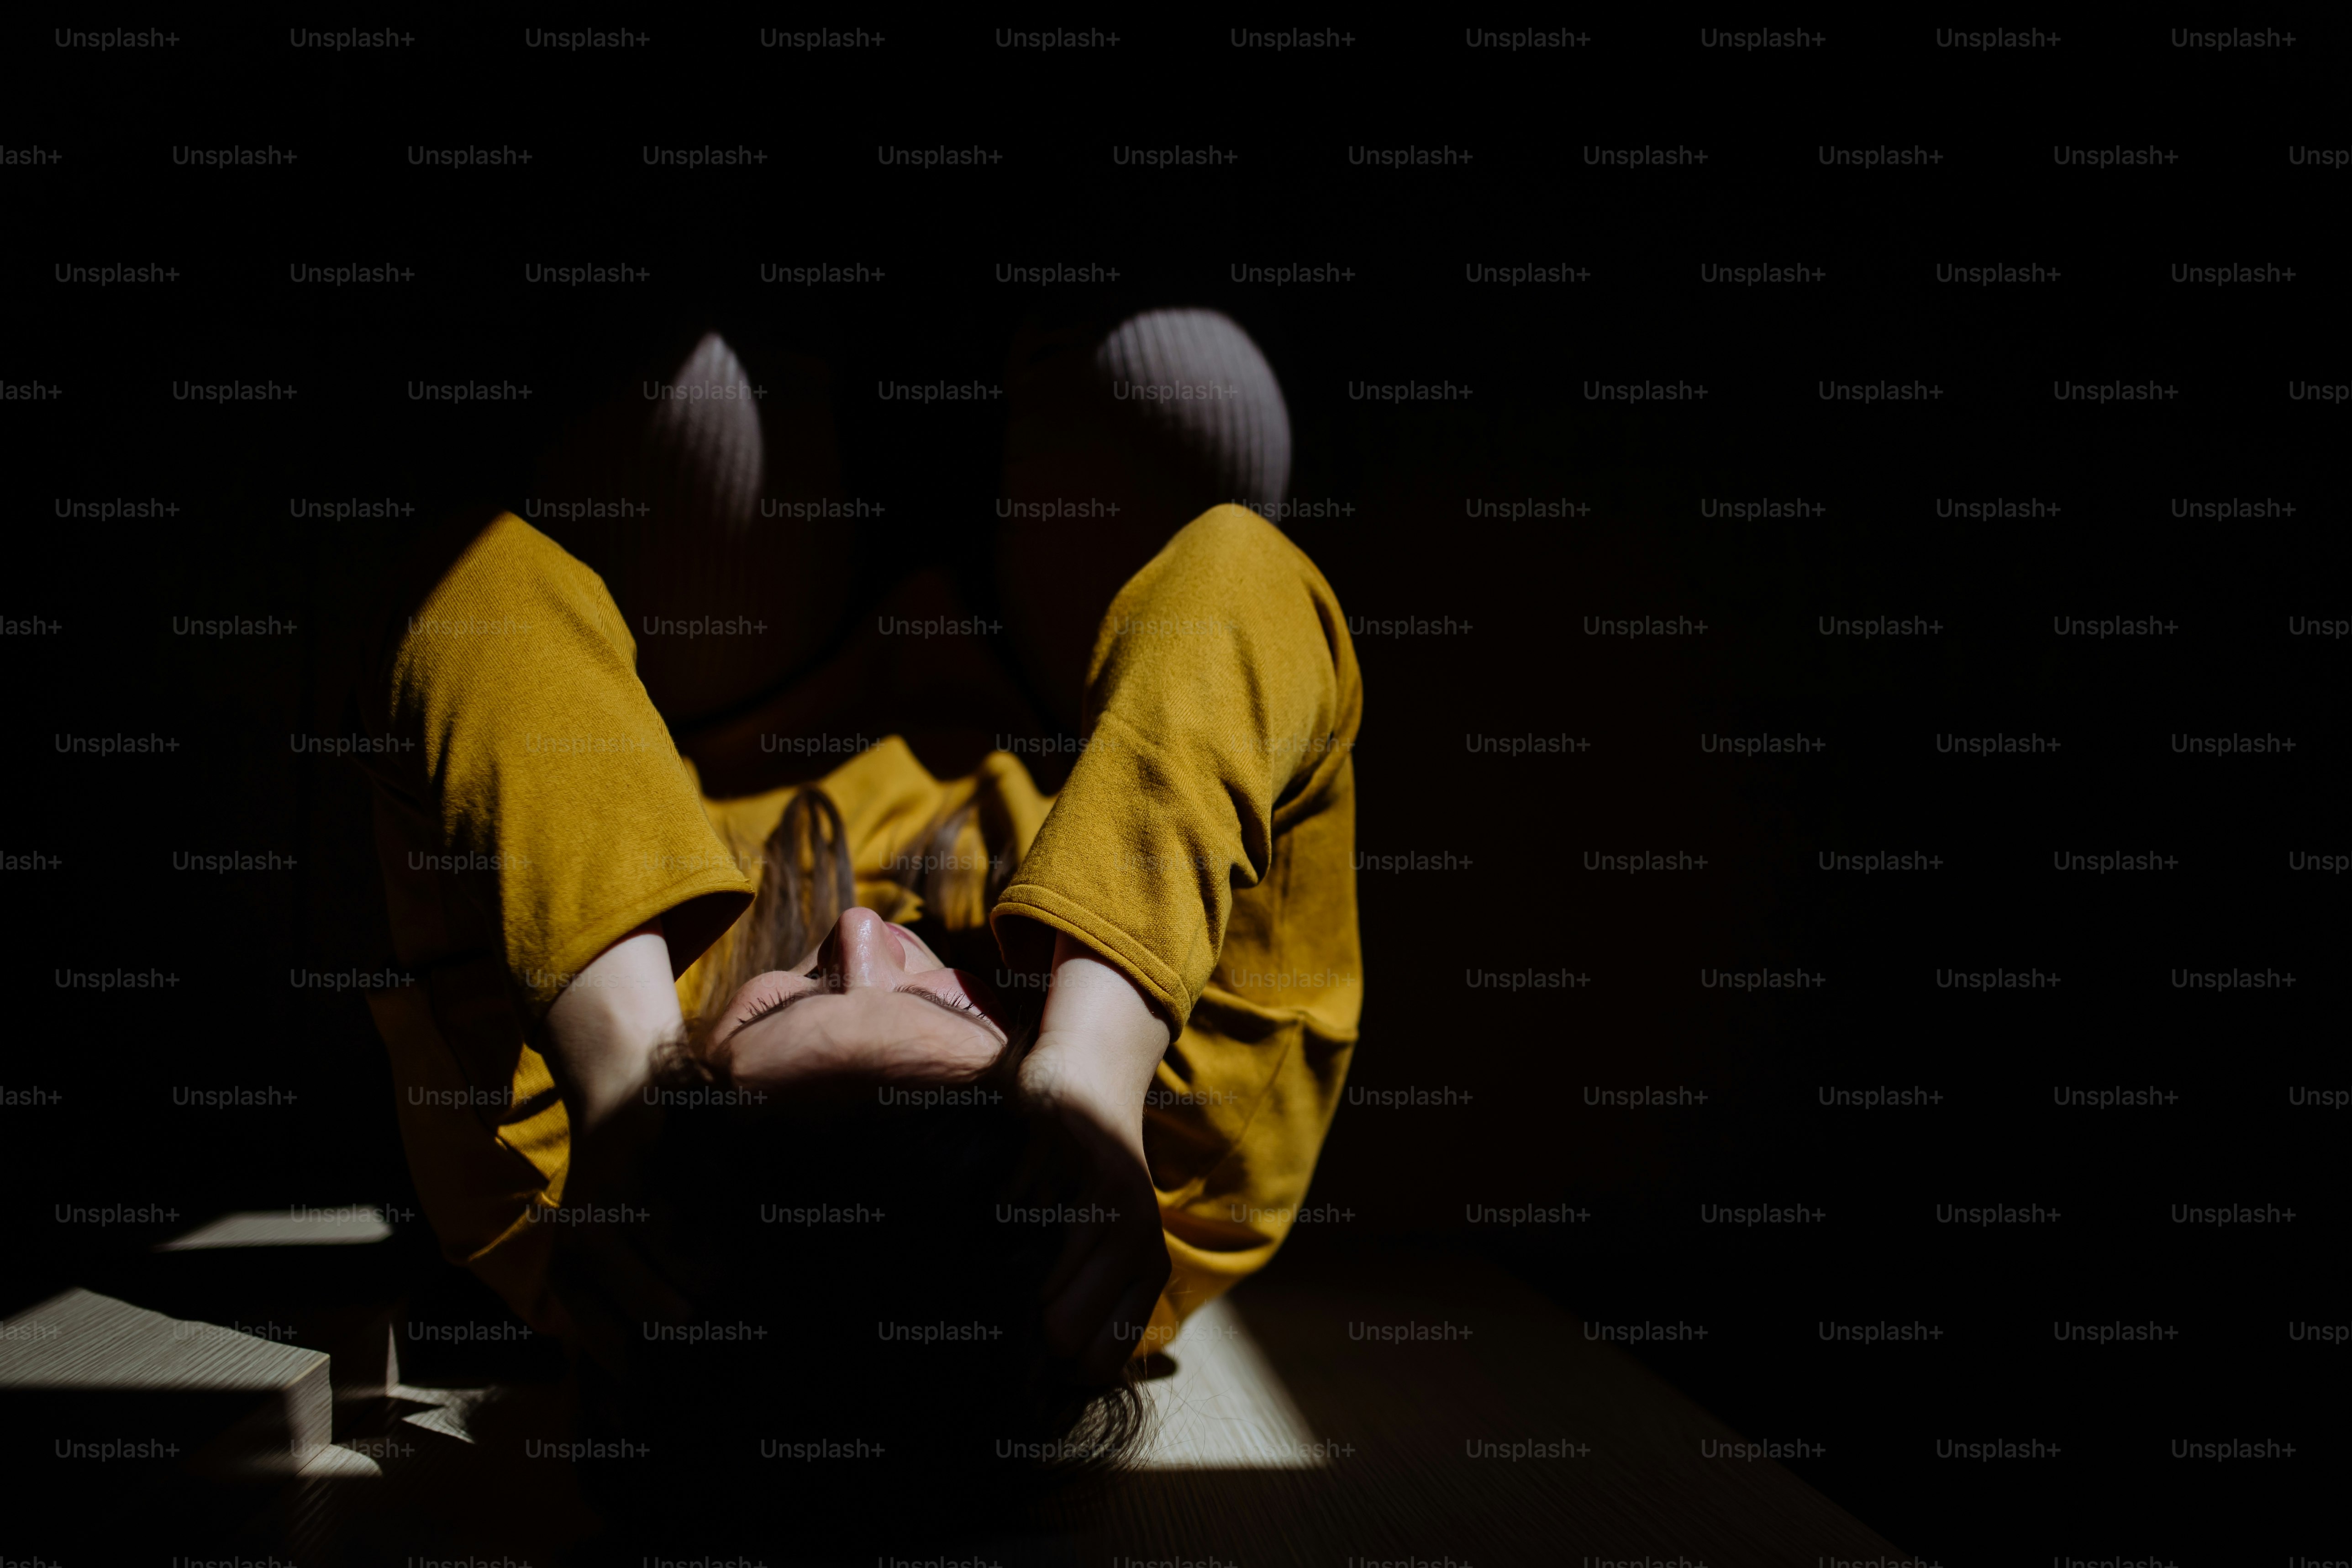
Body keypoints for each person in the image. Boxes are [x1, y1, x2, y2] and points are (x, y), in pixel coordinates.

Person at [348, 311, 1358, 1530]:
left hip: (739, 679)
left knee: (697, 406)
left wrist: (620, 1076)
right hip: (1064, 665)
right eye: (954, 1006)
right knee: (1187, 385)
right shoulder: (1169, 1192)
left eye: (784, 1000)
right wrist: (1096, 1069)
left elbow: (483, 591)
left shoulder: (587, 1208)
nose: (868, 940)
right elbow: (1240, 579)